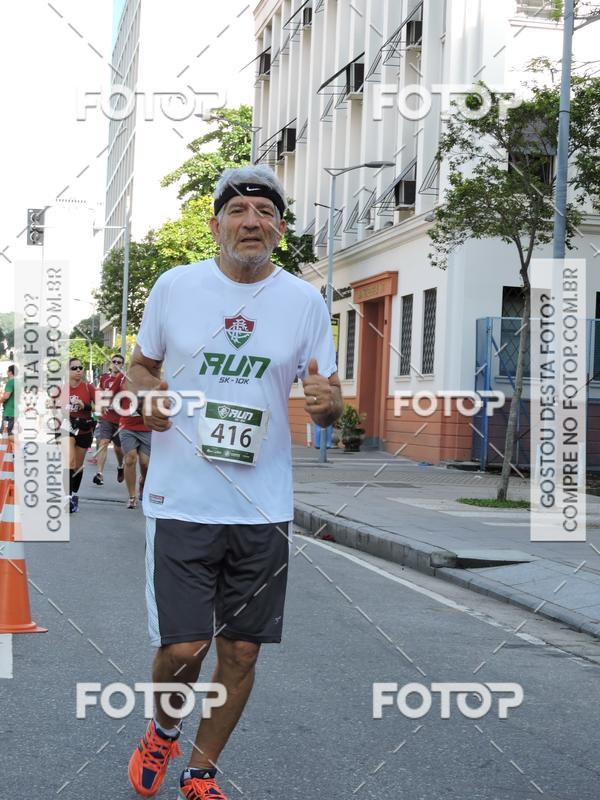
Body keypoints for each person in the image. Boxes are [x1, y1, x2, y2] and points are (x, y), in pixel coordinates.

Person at [126, 165, 343, 800]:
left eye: (265, 212)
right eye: (239, 209)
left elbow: (324, 397)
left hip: (263, 505)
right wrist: (147, 398)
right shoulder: (175, 286)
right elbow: (142, 367)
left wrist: (330, 405)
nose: (252, 221)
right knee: (186, 648)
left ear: (280, 227)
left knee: (242, 653)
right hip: (181, 498)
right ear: (217, 223)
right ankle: (162, 729)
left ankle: (200, 770)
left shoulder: (304, 301)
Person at [63, 357, 96, 513]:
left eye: (80, 367)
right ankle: (67, 497)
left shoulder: (89, 388)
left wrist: (86, 406)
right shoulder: (61, 388)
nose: (78, 370)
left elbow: (101, 407)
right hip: (66, 425)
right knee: (69, 462)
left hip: (84, 428)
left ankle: (74, 494)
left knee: (77, 466)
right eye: (74, 368)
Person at [117, 373, 152, 509]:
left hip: (146, 427)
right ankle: (132, 497)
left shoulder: (152, 379)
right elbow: (112, 396)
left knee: (145, 463)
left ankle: (143, 482)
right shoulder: (123, 379)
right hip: (127, 426)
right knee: (130, 459)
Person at [92, 354, 125, 486]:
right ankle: (99, 474)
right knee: (103, 442)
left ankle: (120, 465)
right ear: (111, 363)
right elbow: (99, 394)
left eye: (119, 362)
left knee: (118, 448)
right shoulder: (104, 378)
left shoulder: (125, 379)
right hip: (107, 417)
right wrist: (99, 408)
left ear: (123, 365)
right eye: (114, 361)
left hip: (121, 418)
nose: (116, 363)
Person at [1, 365, 16, 436]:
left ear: (10, 372)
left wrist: (0, 401)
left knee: (5, 431)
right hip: (13, 411)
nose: (7, 372)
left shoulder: (10, 382)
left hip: (8, 412)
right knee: (7, 432)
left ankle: (18, 445)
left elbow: (6, 396)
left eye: (7, 371)